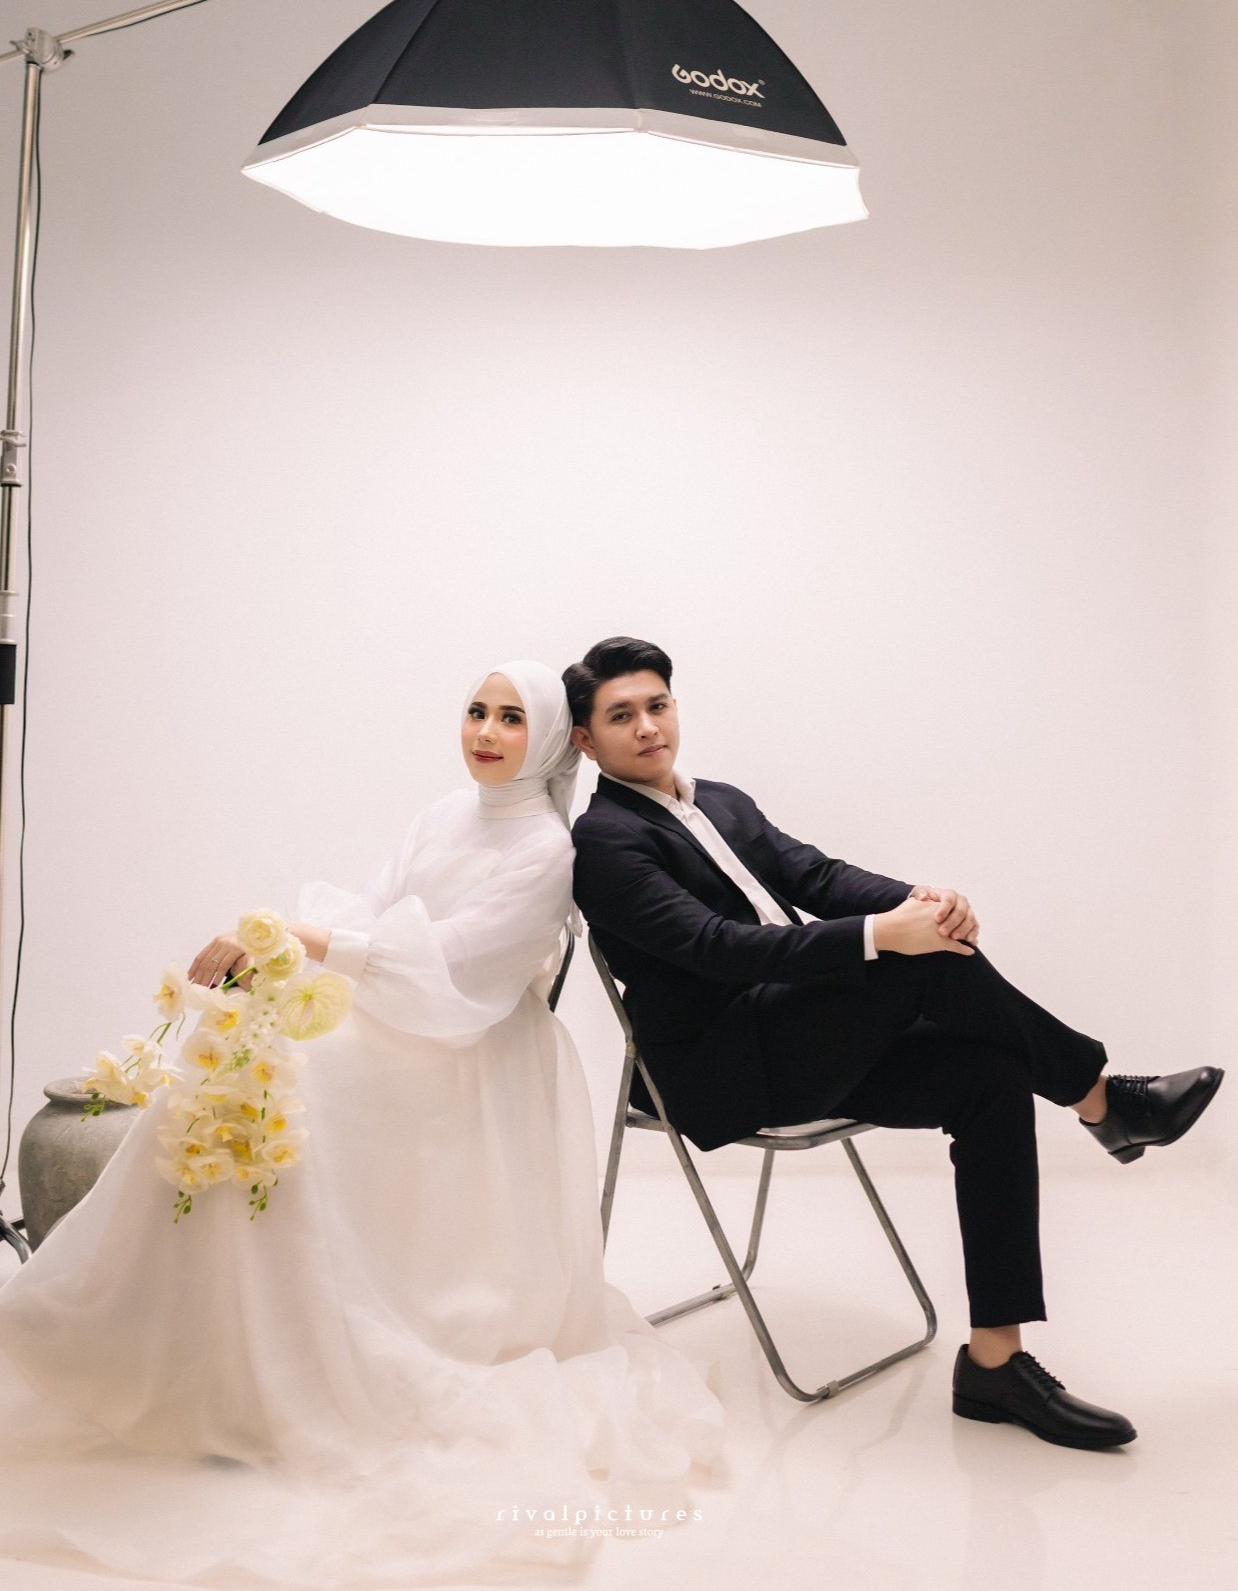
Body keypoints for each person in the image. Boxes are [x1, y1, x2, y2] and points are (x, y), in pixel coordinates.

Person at [0, 659, 722, 1589]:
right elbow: (374, 918)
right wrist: (282, 964)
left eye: (512, 718)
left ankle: (285, 1363)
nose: (486, 733)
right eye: (476, 711)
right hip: (394, 1018)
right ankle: (205, 1357)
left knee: (285, 1095)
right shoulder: (445, 813)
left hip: (467, 1050)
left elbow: (456, 968)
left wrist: (299, 942)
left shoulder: (547, 847)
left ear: (550, 737)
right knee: (237, 1069)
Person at [564, 635, 1224, 1453]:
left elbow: (817, 877)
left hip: (806, 1040)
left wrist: (923, 900)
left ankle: (994, 1362)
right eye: (621, 716)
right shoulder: (605, 841)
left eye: (657, 705)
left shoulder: (722, 801)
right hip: (722, 1069)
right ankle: (1102, 1100)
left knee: (989, 1075)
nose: (648, 727)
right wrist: (886, 935)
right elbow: (715, 947)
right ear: (586, 740)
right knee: (917, 961)